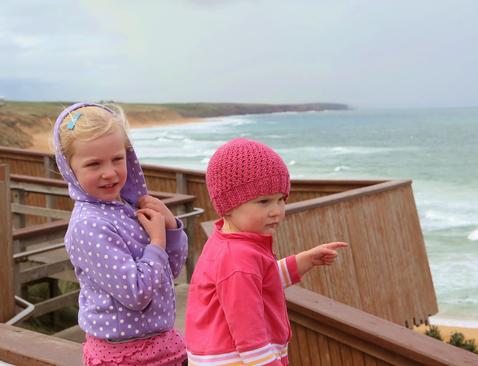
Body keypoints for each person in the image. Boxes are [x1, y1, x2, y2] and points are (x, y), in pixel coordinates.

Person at [185, 138, 348, 366]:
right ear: (228, 205)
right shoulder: (237, 258)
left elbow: (261, 281)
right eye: (264, 202)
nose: (277, 211)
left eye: (281, 200)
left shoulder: (230, 241)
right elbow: (250, 339)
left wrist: (304, 260)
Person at [53, 102, 189, 366]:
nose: (110, 172)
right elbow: (137, 293)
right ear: (70, 169)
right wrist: (158, 242)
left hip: (164, 347)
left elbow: (170, 270)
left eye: (117, 159)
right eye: (94, 164)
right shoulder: (88, 225)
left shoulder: (126, 207)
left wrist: (170, 227)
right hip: (123, 357)